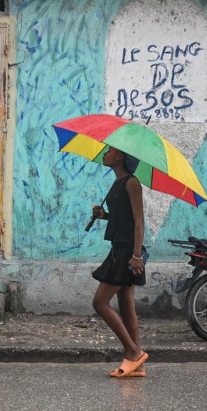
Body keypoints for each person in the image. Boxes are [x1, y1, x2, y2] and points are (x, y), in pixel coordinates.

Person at [90, 146, 148, 378]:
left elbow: (138, 222)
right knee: (126, 304)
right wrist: (104, 216)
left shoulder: (132, 183)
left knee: (100, 302)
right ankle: (136, 364)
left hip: (127, 251)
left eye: (109, 151)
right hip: (120, 246)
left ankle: (134, 351)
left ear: (121, 156)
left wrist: (135, 256)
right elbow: (122, 218)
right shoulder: (117, 183)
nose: (104, 153)